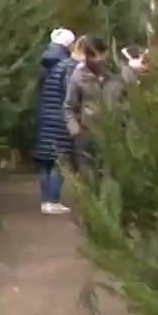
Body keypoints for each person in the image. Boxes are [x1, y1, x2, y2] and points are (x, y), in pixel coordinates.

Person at [31, 27, 78, 214]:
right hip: (60, 119)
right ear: (68, 44)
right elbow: (69, 93)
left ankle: (45, 201)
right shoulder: (67, 65)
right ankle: (54, 200)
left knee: (45, 161)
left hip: (44, 116)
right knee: (60, 160)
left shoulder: (44, 64)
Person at [64, 35, 112, 173]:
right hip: (88, 137)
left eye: (100, 54)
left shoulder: (114, 75)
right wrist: (76, 131)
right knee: (89, 176)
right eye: (92, 56)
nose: (97, 59)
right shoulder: (78, 77)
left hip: (113, 137)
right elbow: (69, 107)